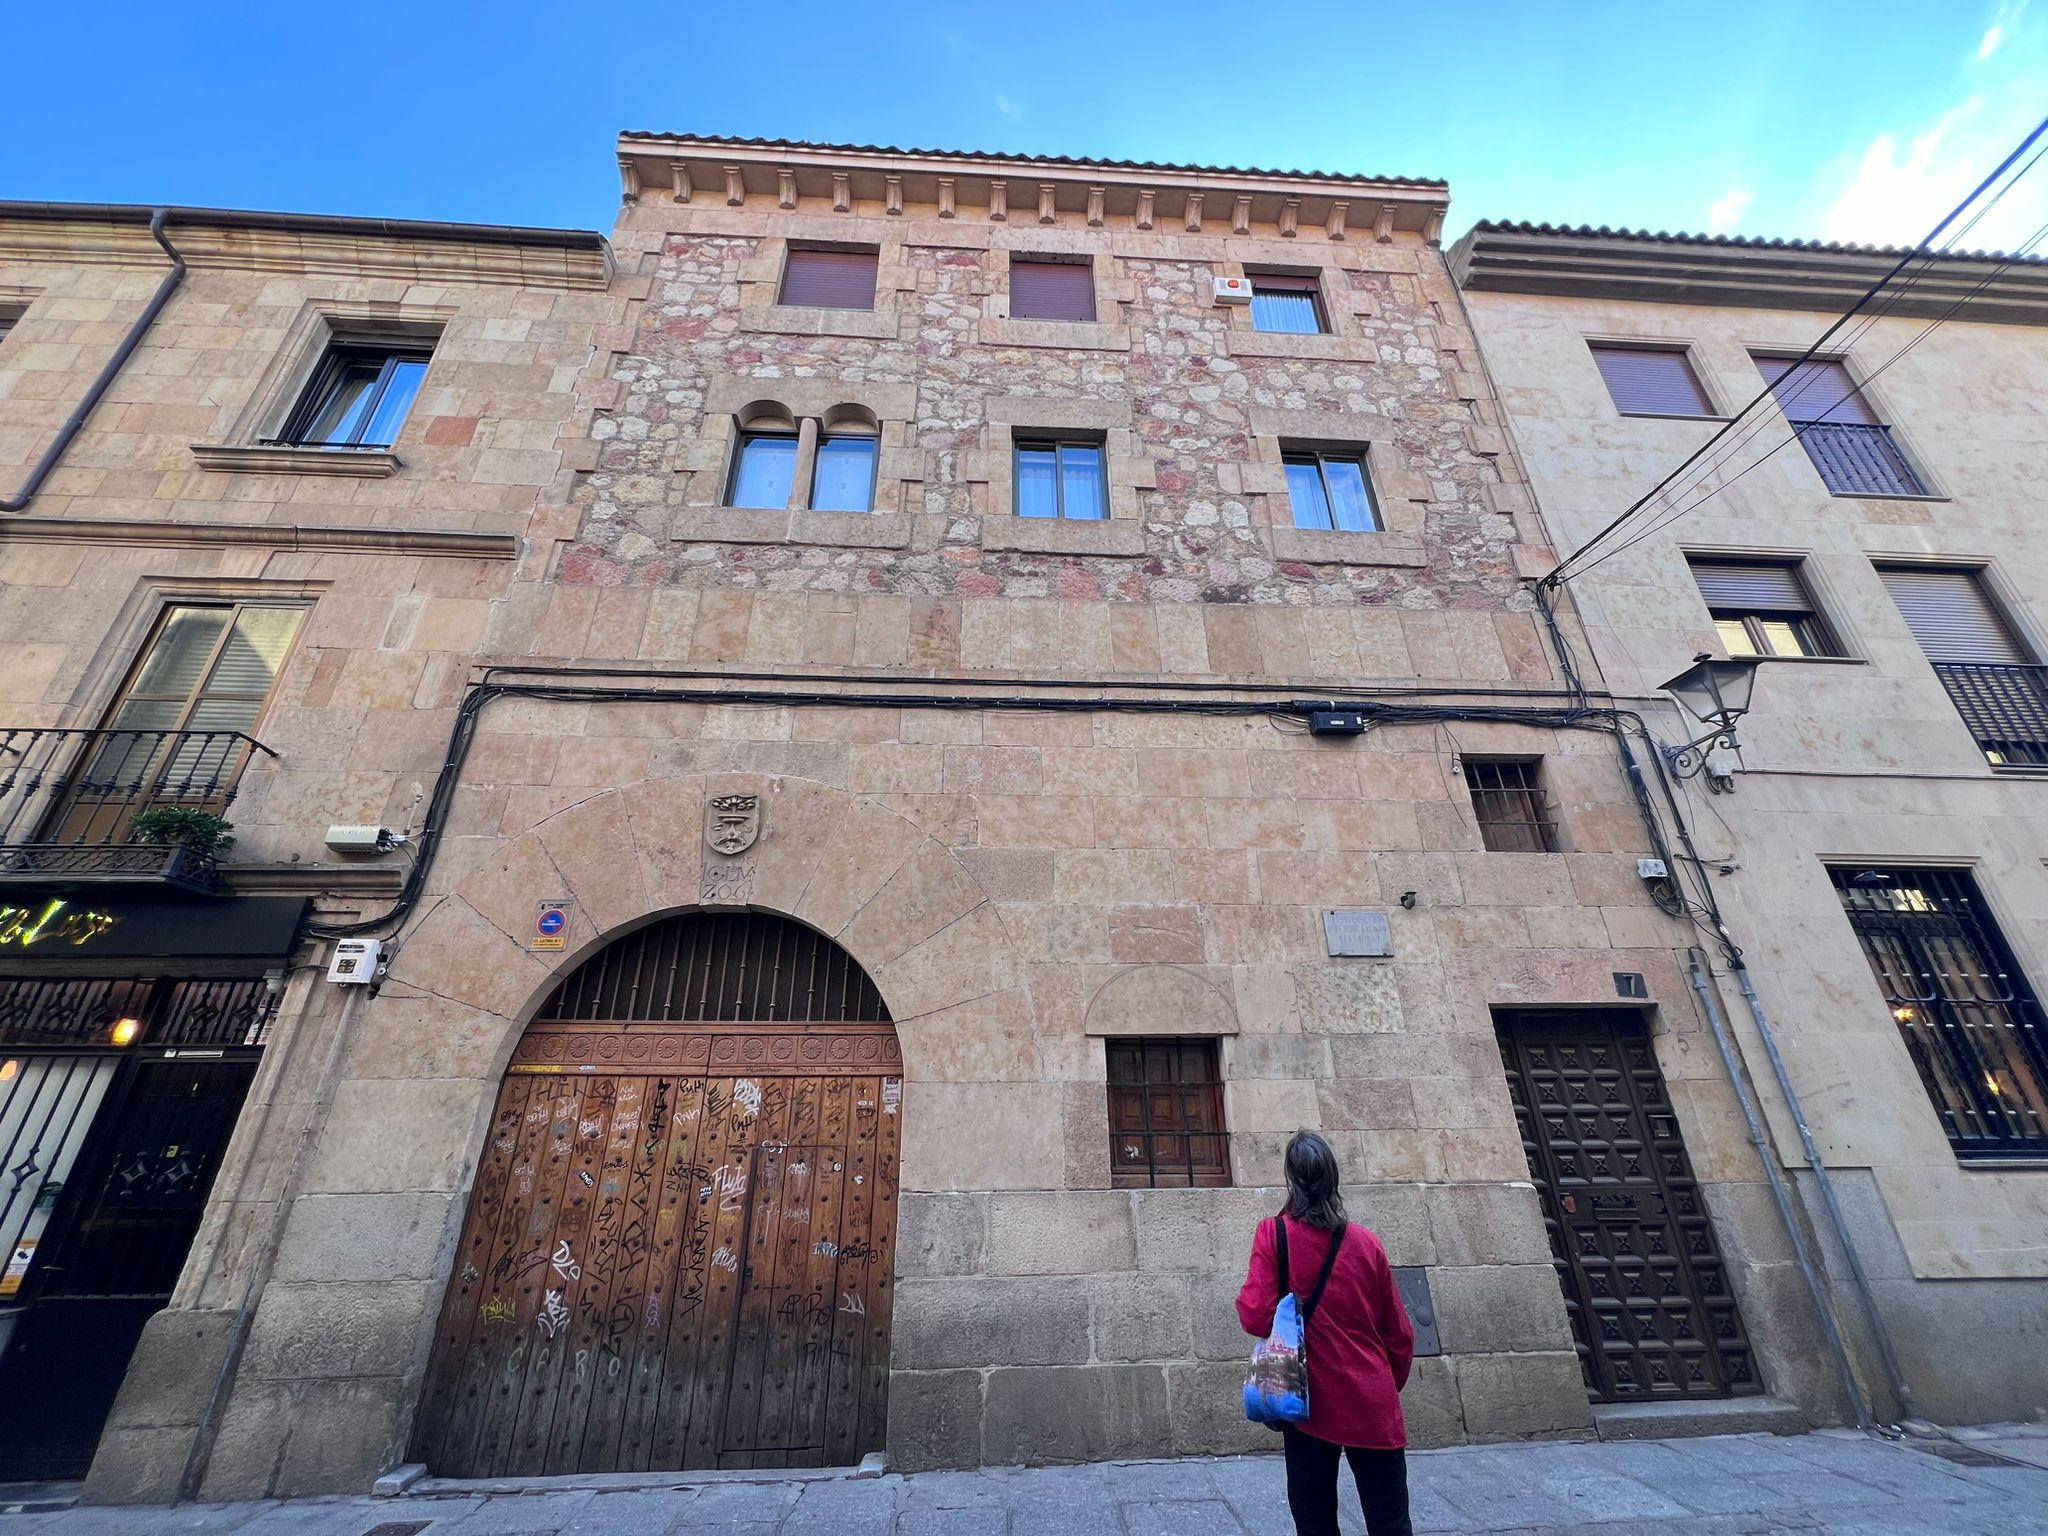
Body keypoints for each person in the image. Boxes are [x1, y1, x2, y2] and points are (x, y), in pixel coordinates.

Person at [1237, 1129, 1416, 1536]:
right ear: (1333, 1178)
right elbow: (1399, 1333)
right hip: (1371, 1400)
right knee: (1390, 1522)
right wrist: (1386, 1384)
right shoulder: (1366, 1243)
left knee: (1314, 1521)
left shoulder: (1274, 1235)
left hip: (1308, 1403)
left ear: (1291, 1180)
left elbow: (1255, 1317)